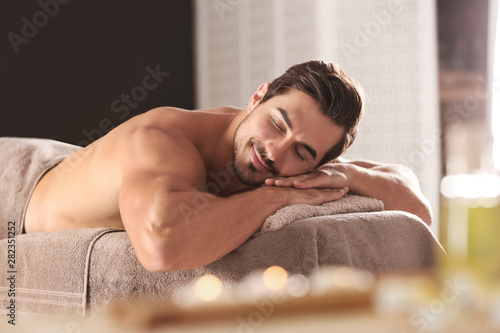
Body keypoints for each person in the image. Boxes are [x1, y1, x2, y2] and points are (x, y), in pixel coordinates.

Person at [23, 60, 431, 272]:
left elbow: (419, 213)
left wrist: (349, 175)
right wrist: (271, 198)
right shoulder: (163, 142)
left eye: (303, 152)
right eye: (277, 123)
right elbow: (163, 246)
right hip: (22, 188)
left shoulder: (302, 161)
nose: (275, 151)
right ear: (257, 97)